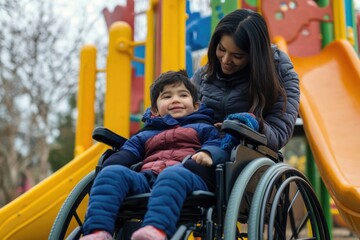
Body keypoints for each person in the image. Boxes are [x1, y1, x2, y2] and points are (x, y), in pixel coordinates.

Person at [80, 70, 230, 240]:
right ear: (155, 110)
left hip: (187, 178)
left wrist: (207, 153)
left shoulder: (204, 128)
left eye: (183, 95)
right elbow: (128, 152)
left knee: (172, 174)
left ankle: (155, 231)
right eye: (167, 97)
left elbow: (218, 146)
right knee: (111, 173)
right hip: (147, 178)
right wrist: (111, 165)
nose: (175, 100)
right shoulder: (145, 135)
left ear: (196, 105)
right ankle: (98, 232)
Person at [192, 8, 300, 152]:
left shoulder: (281, 74)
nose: (225, 60)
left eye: (237, 56)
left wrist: (251, 124)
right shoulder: (205, 74)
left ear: (254, 56)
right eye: (221, 49)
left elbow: (279, 134)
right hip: (202, 148)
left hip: (245, 156)